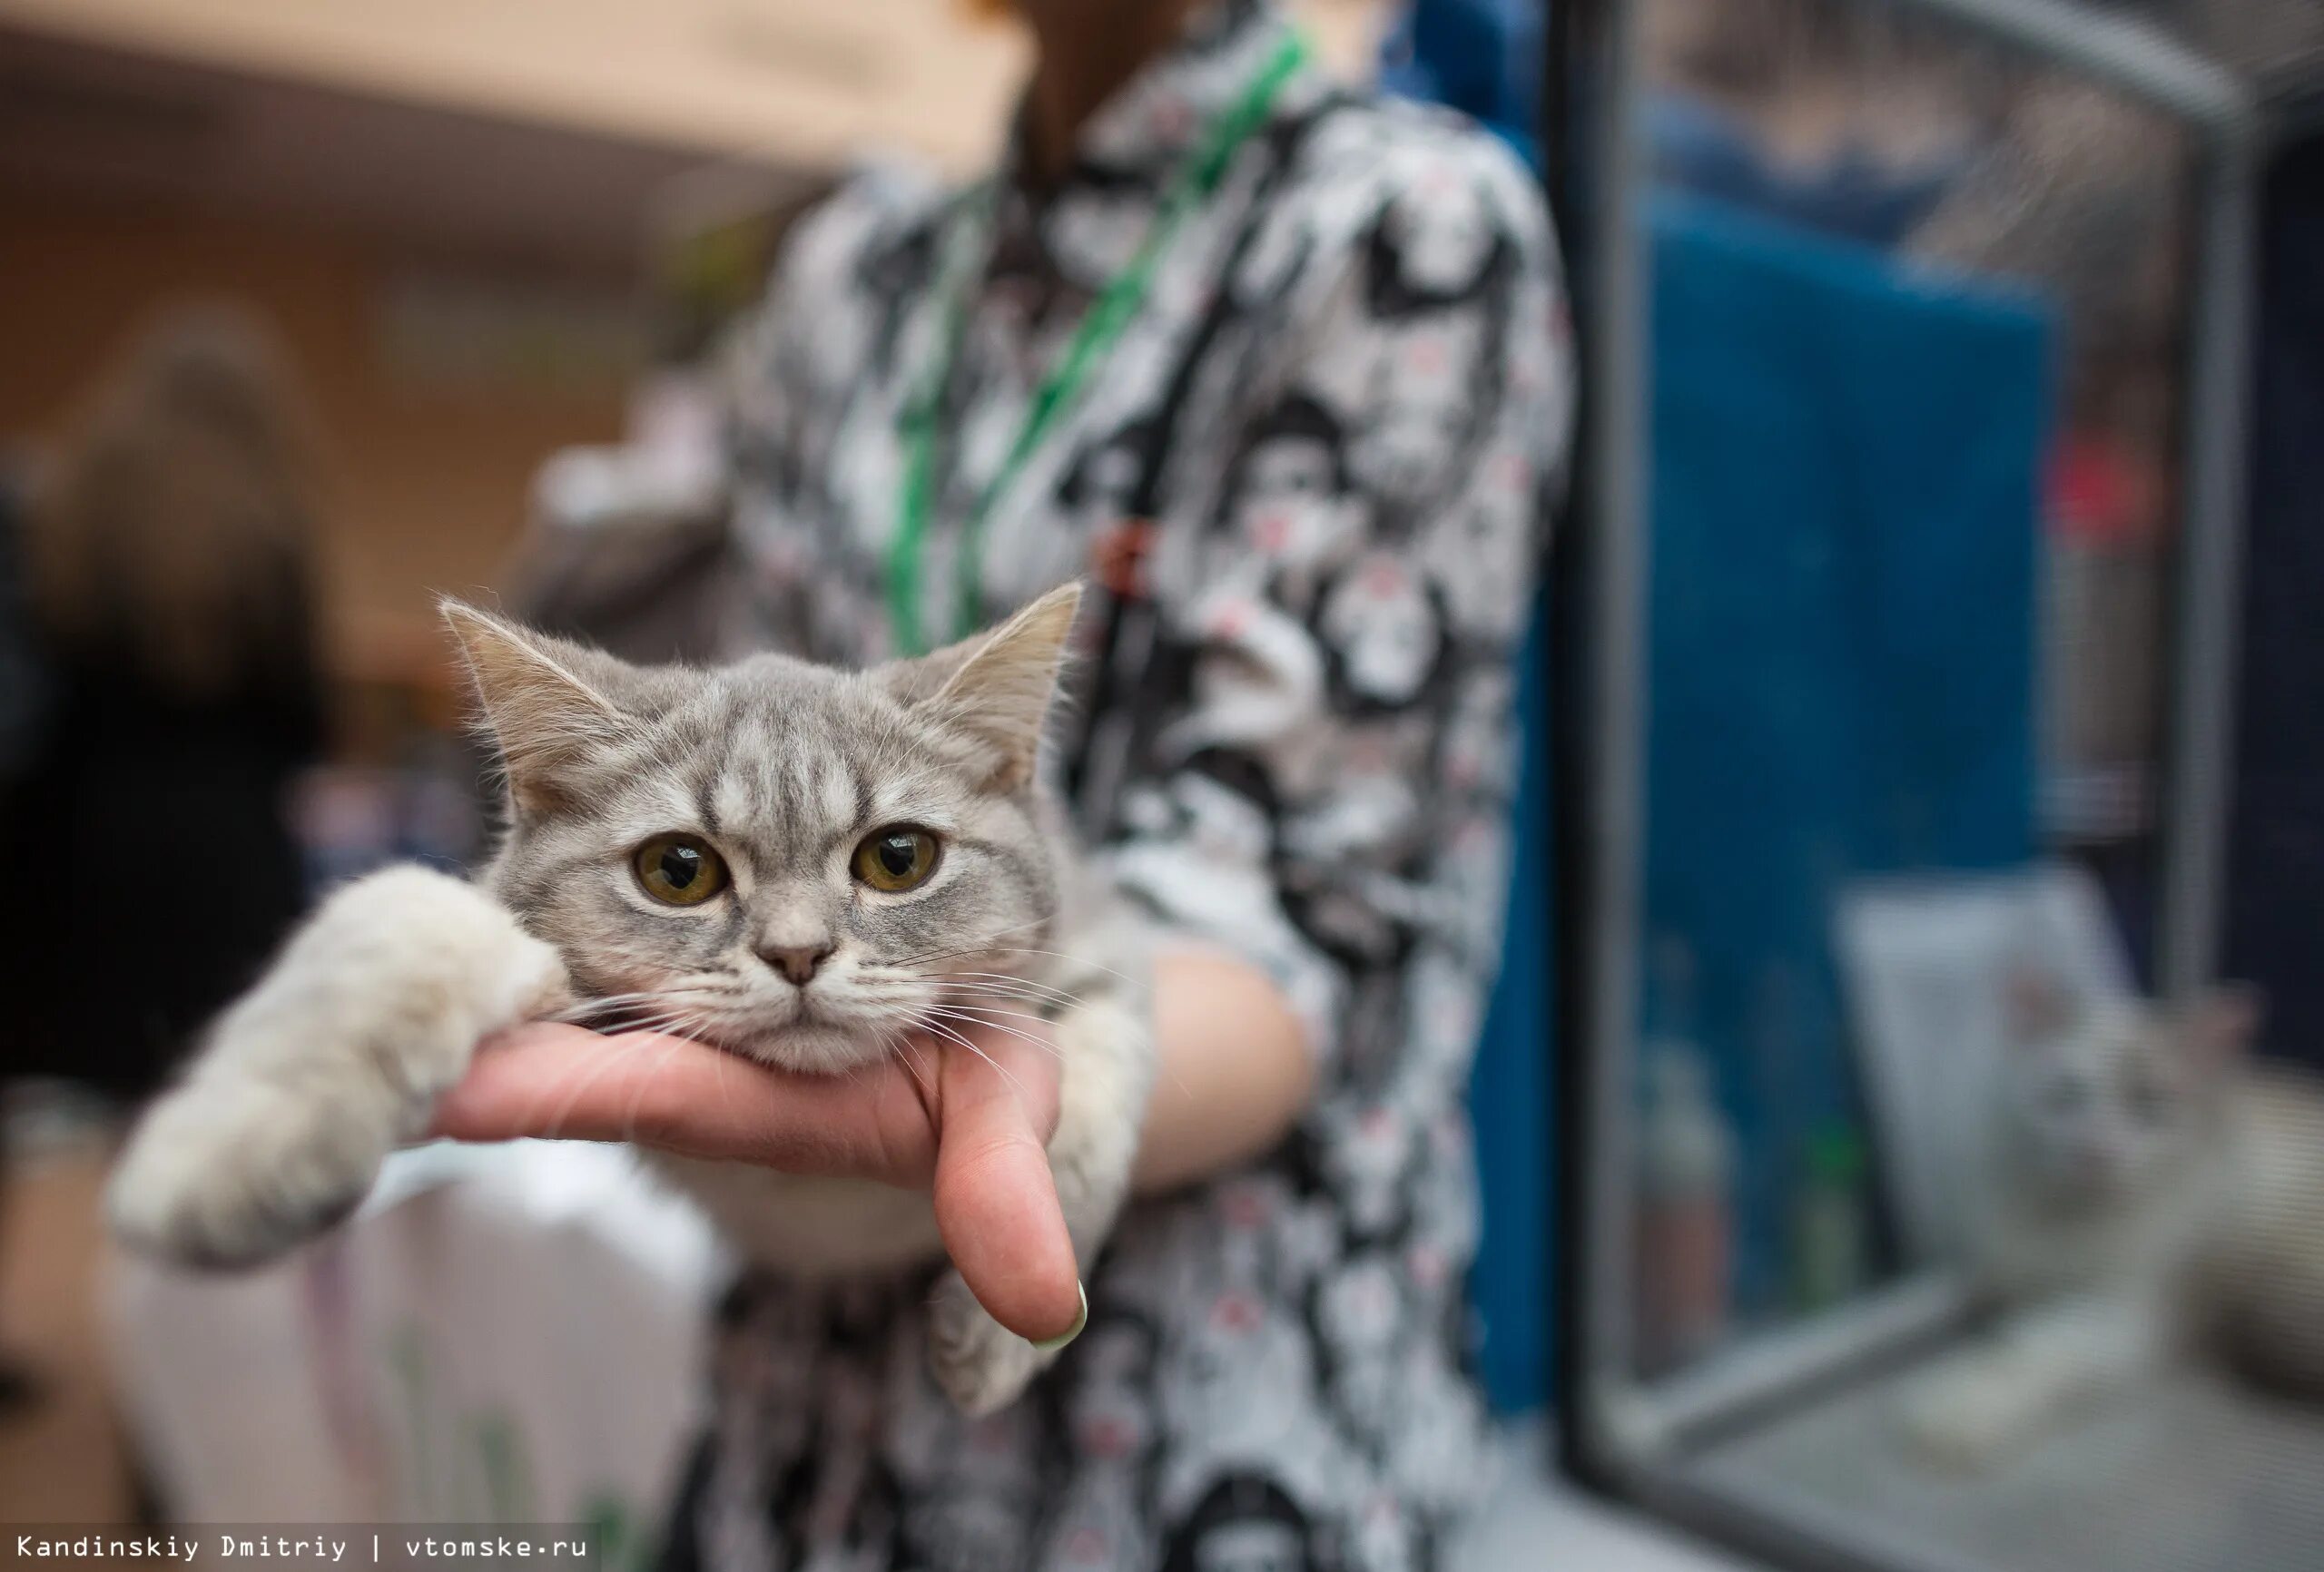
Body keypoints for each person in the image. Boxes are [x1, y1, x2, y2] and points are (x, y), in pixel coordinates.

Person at [435, 1, 1571, 1565]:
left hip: (1195, 1421)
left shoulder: (1396, 228)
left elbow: (1305, 920)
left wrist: (1022, 1085)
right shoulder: (854, 277)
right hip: (803, 1410)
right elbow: (731, 748)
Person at [1, 307, 327, 1106]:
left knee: (57, 1120)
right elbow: (304, 729)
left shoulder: (57, 518)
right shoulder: (269, 542)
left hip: (67, 861)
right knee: (204, 1110)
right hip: (226, 873)